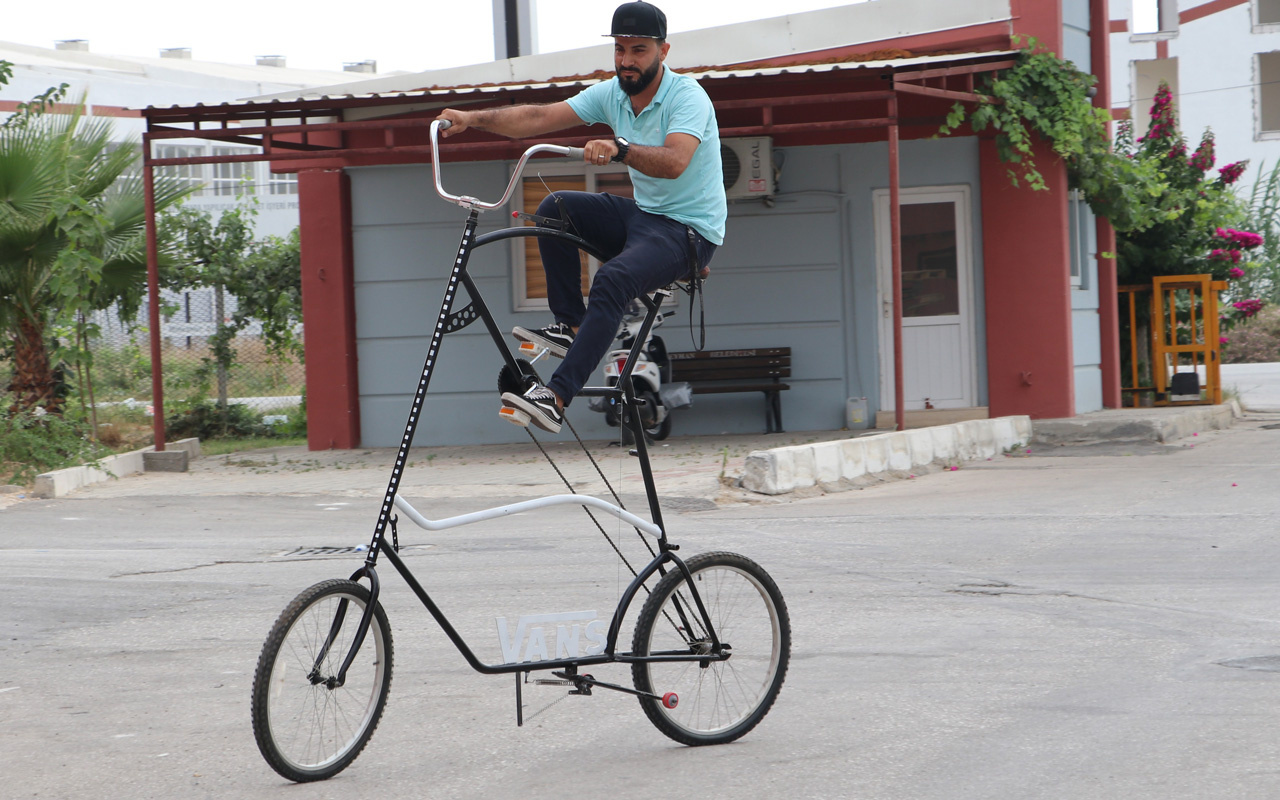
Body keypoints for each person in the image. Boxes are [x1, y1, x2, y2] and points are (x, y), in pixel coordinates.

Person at [436, 0, 726, 434]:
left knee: (611, 280)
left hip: (689, 231)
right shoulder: (612, 94)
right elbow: (538, 116)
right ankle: (570, 322)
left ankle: (554, 398)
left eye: (639, 51)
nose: (627, 61)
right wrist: (471, 118)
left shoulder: (687, 98)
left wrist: (620, 149)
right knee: (556, 208)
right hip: (645, 216)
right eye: (620, 50)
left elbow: (676, 162)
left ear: (663, 52)